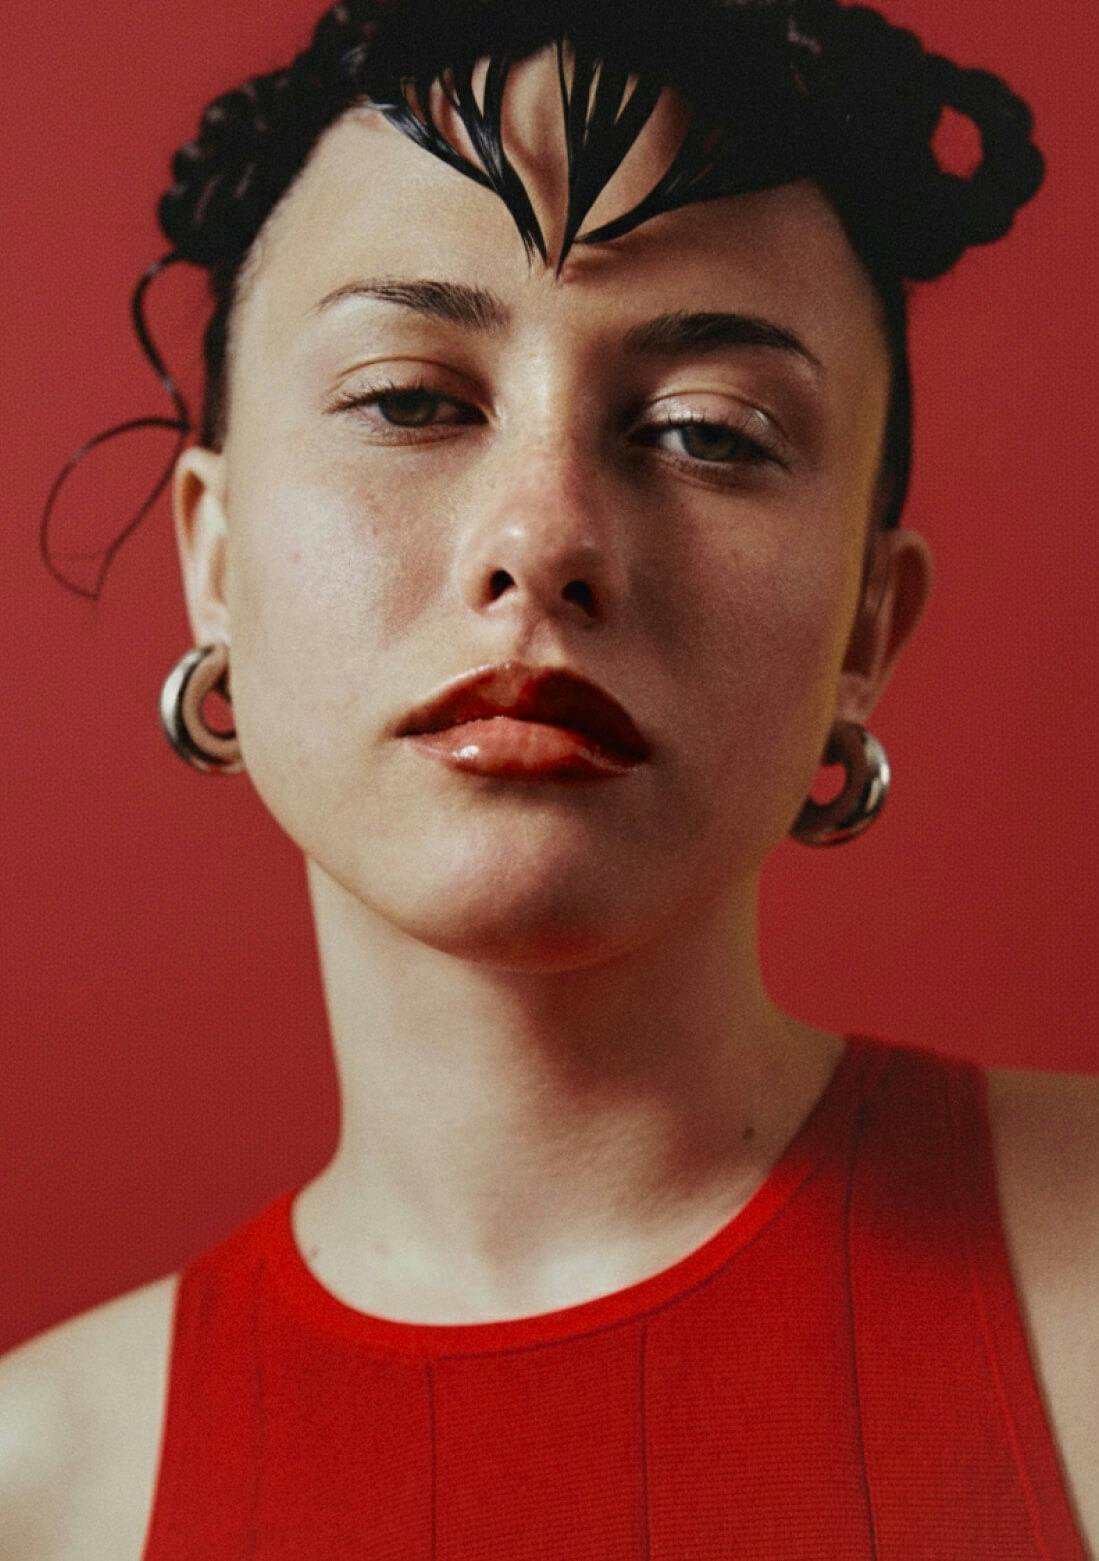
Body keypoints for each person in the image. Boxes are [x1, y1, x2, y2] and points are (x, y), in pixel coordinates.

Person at [2, 0, 1096, 1555]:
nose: (545, 537)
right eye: (410, 401)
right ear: (217, 562)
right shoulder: (34, 1496)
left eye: (709, 431)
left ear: (867, 622)